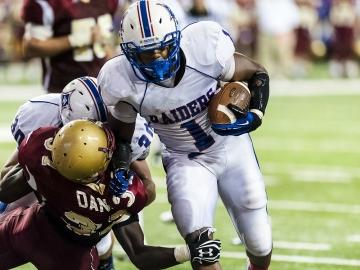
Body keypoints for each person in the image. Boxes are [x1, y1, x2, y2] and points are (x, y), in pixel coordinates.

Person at [97, 1, 272, 269]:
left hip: (232, 149)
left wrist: (255, 115)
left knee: (260, 245)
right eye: (146, 54)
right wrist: (121, 166)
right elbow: (122, 137)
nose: (156, 60)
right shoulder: (119, 79)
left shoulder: (203, 46)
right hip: (185, 159)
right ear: (130, 53)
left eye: (163, 48)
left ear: (177, 39)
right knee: (201, 247)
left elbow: (257, 73)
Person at [0, 119, 221, 269]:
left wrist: (34, 174)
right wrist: (189, 252)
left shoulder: (43, 153)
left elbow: (5, 191)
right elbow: (139, 254)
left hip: (25, 230)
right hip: (73, 259)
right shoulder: (123, 195)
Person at [0, 76, 154, 270]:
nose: (88, 136)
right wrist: (43, 171)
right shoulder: (40, 114)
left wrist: (115, 203)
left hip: (93, 190)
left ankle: (106, 262)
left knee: (94, 233)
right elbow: (6, 177)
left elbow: (148, 185)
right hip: (46, 180)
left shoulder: (126, 125)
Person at [21, 0, 119, 93]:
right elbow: (31, 47)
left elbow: (104, 42)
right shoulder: (49, 3)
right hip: (62, 91)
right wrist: (75, 39)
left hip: (102, 89)